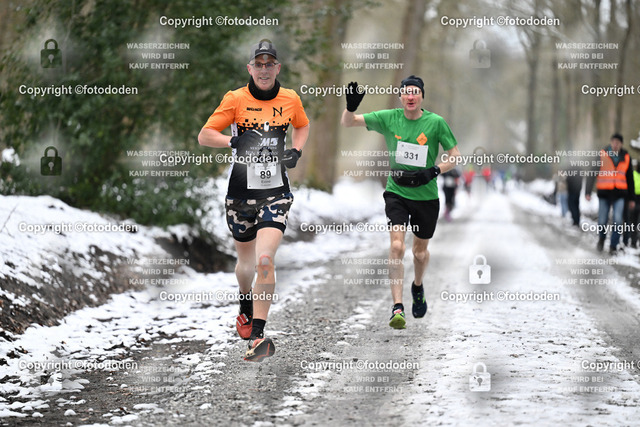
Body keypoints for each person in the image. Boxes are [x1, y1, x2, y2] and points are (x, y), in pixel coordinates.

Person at [198, 39, 310, 361]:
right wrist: (234, 141)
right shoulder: (235, 99)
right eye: (258, 64)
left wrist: (296, 150)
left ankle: (258, 335)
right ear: (250, 68)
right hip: (240, 196)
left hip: (276, 193)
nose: (264, 70)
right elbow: (205, 136)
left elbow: (302, 126)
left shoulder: (290, 99)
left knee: (264, 260)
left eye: (269, 64)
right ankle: (244, 299)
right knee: (245, 266)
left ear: (277, 68)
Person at [341, 75, 461, 329]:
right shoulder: (389, 118)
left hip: (426, 196)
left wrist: (434, 170)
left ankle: (417, 286)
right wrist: (350, 107)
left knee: (419, 252)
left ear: (422, 96)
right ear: (400, 96)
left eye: (415, 92)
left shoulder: (436, 123)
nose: (410, 96)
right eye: (406, 91)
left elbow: (454, 156)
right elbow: (348, 122)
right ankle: (398, 307)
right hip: (396, 192)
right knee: (397, 246)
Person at [585, 133, 635, 254]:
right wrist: (588, 191)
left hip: (620, 194)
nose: (615, 144)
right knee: (602, 220)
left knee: (618, 220)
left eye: (618, 142)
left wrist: (632, 198)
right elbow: (593, 172)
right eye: (614, 141)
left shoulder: (626, 157)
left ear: (621, 144)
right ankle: (601, 239)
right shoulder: (602, 154)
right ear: (611, 142)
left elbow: (630, 179)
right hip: (604, 193)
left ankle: (613, 245)